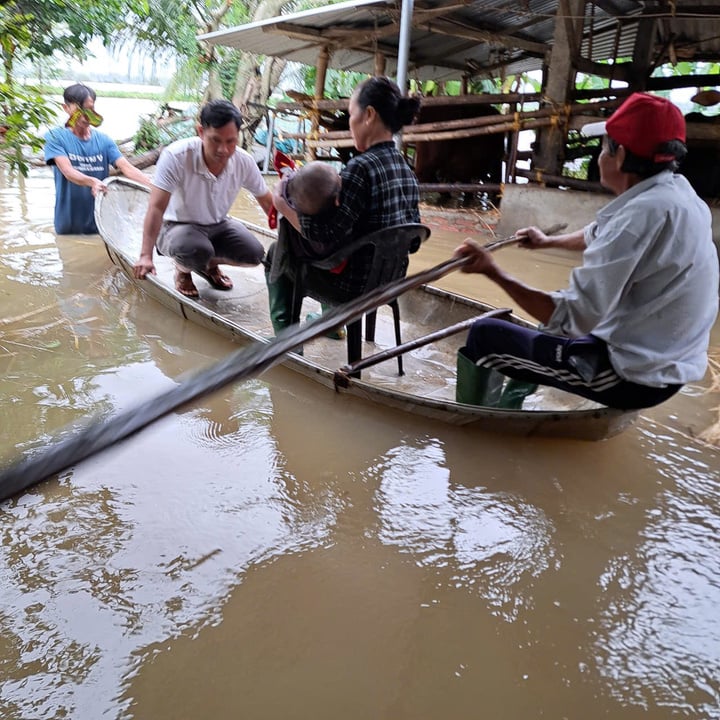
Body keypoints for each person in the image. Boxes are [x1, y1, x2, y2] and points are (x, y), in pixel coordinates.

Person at [453, 92, 719, 411]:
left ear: (619, 156)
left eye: (603, 147)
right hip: (666, 365)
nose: (599, 157)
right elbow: (598, 234)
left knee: (484, 335)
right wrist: (547, 241)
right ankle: (511, 405)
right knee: (547, 323)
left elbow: (569, 319)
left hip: (631, 376)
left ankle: (476, 422)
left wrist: (492, 271)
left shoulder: (637, 218)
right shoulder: (678, 195)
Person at [265, 75, 421, 335]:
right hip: (390, 283)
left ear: (369, 114)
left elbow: (324, 237)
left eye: (351, 114)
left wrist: (284, 206)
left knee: (276, 254)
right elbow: (413, 242)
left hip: (352, 288)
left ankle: (286, 342)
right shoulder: (406, 170)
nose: (350, 124)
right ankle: (330, 325)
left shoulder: (359, 169)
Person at [133, 99, 273, 298]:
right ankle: (183, 270)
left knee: (254, 254)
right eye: (215, 140)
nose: (223, 150)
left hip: (219, 224)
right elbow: (156, 208)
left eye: (230, 141)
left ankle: (208, 266)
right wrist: (145, 256)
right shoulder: (176, 156)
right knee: (194, 250)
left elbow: (268, 202)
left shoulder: (244, 161)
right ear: (201, 132)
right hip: (175, 227)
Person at [44, 83, 152, 235]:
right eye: (79, 110)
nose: (85, 116)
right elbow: (67, 171)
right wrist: (92, 181)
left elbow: (127, 168)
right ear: (66, 108)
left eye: (90, 109)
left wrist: (155, 186)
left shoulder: (104, 140)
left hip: (102, 224)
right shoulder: (55, 137)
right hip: (68, 225)